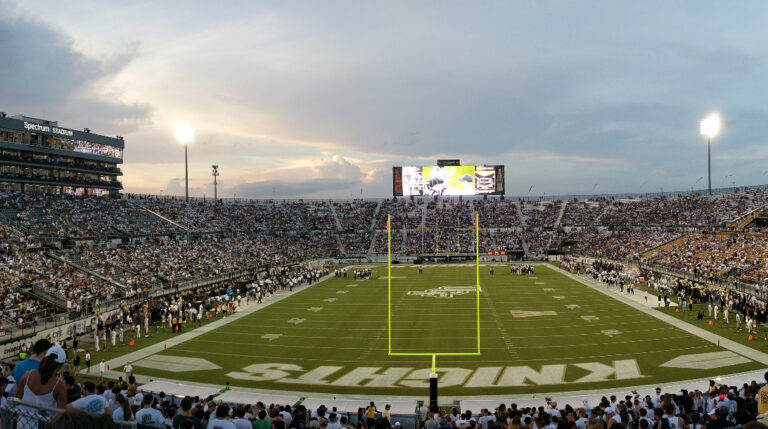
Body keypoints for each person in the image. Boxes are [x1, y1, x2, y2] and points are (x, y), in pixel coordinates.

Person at [14, 346, 68, 428]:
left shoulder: (28, 375)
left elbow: (16, 399)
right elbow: (60, 414)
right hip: (44, 425)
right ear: (61, 365)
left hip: (22, 425)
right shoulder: (59, 385)